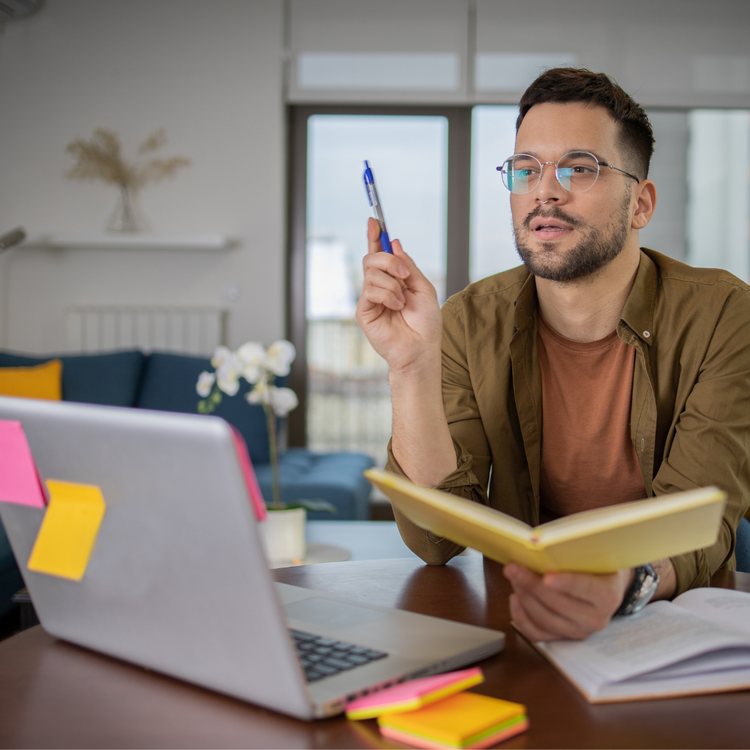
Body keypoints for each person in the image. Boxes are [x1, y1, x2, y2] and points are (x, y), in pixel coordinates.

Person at [355, 67, 750, 641]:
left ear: (641, 204)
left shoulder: (724, 313)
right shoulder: (467, 320)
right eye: (526, 169)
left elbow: (703, 517)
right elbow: (435, 541)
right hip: (522, 625)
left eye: (579, 168)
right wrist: (409, 369)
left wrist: (621, 585)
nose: (545, 190)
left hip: (675, 628)